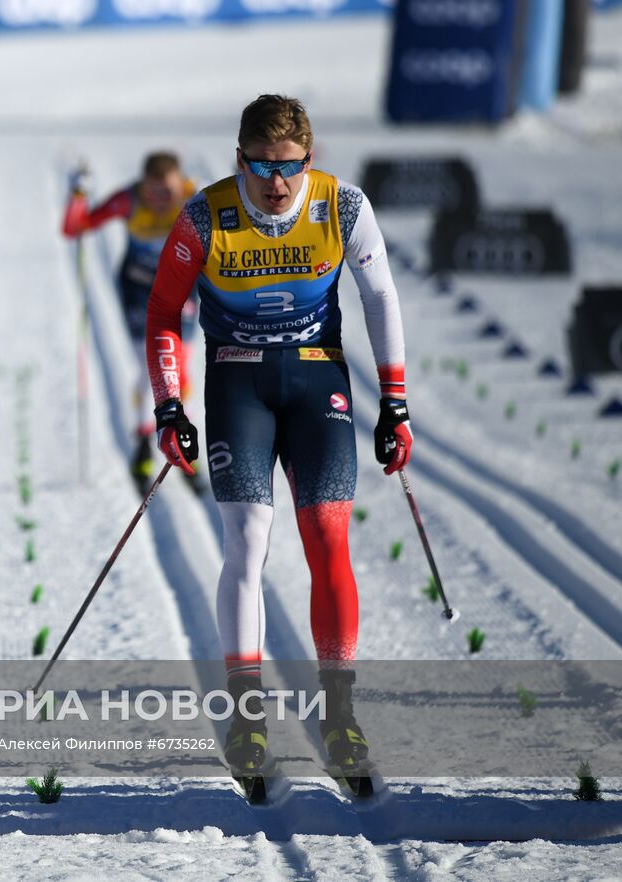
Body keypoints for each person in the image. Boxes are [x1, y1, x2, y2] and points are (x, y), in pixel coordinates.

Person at [143, 95, 412, 791]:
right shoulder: (205, 214)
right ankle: (246, 716)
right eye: (261, 166)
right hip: (239, 385)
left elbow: (380, 296)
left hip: (317, 380)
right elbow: (163, 312)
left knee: (328, 538)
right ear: (240, 159)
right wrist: (170, 406)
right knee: (247, 541)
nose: (276, 183)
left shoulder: (342, 206)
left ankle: (340, 716)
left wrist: (396, 401)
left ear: (308, 160)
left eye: (289, 167)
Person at [63, 152, 198, 485]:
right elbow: (76, 227)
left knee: (181, 367)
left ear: (180, 184)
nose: (160, 201)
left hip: (183, 288)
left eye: (167, 192)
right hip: (140, 288)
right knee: (150, 366)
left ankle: (180, 435)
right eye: (153, 192)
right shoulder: (129, 199)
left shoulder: (196, 198)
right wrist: (77, 197)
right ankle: (143, 440)